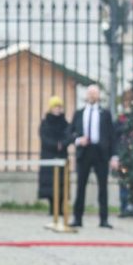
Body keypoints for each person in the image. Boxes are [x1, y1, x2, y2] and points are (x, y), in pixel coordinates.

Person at [70, 84, 118, 229]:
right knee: (80, 186)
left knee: (103, 187)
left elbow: (112, 136)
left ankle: (104, 219)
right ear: (86, 95)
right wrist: (78, 140)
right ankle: (77, 218)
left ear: (98, 96)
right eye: (90, 93)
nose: (92, 96)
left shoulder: (105, 114)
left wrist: (114, 156)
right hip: (84, 152)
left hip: (100, 152)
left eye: (95, 93)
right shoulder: (79, 113)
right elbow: (70, 133)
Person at [37, 95, 70, 215]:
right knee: (50, 184)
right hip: (49, 156)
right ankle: (52, 208)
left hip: (62, 156)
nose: (57, 109)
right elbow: (44, 138)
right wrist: (55, 145)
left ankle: (61, 209)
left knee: (62, 183)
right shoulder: (45, 123)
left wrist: (63, 144)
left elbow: (69, 136)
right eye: (55, 106)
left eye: (59, 106)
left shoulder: (64, 122)